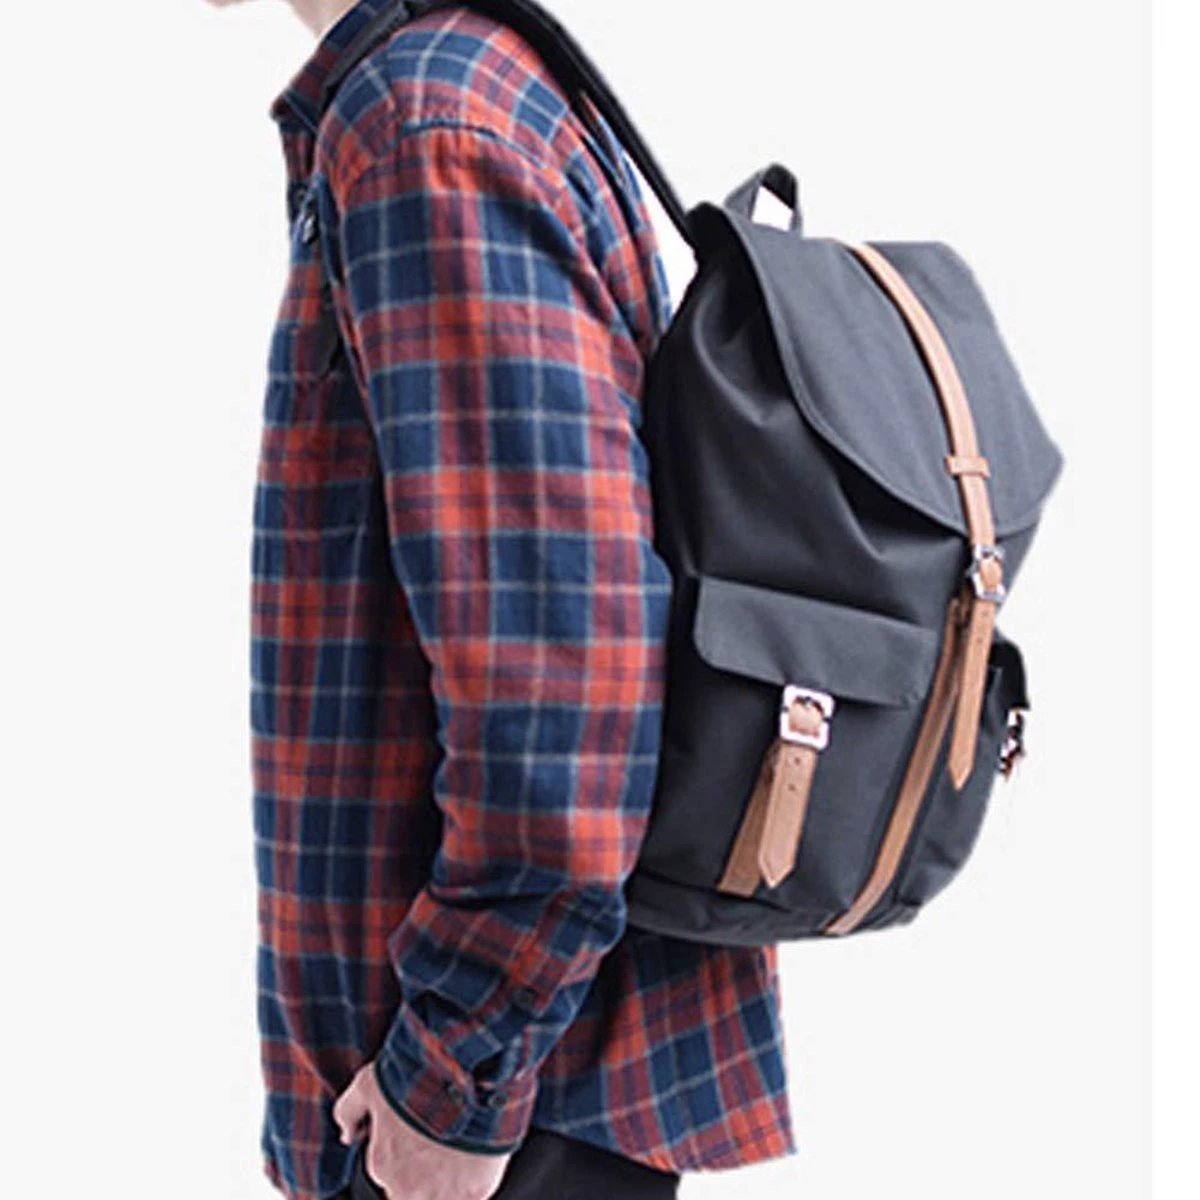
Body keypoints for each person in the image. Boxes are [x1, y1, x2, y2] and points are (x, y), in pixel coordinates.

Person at [208, 0, 796, 1196]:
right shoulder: (465, 86)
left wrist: (452, 1079)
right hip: (507, 1084)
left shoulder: (423, 120)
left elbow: (561, 677)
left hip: (485, 1112)